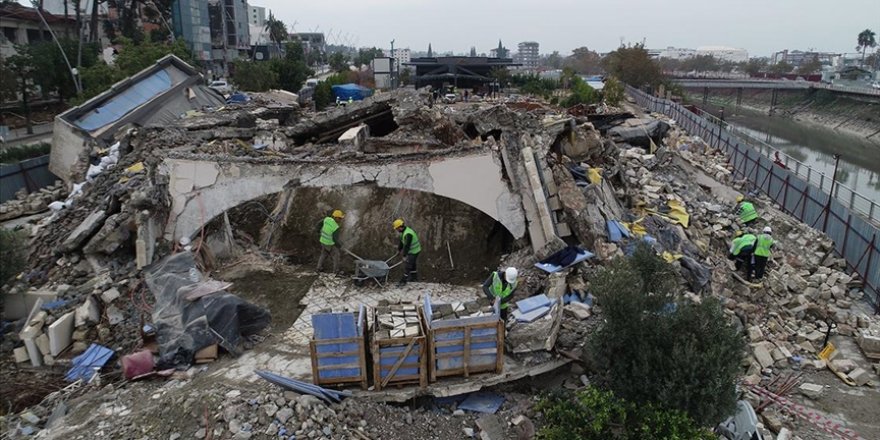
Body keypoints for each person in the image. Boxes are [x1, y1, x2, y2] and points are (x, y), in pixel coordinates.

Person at [393, 219, 421, 285]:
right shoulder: (403, 232)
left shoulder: (408, 234)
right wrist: (399, 250)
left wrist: (404, 256)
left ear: (400, 227)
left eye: (397, 228)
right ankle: (414, 278)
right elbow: (402, 242)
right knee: (413, 264)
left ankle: (403, 281)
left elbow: (407, 246)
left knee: (408, 265)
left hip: (414, 251)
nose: (396, 230)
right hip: (413, 250)